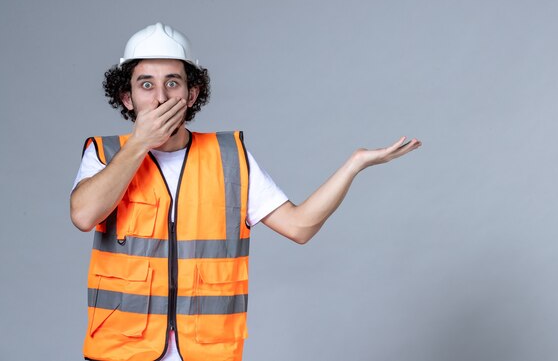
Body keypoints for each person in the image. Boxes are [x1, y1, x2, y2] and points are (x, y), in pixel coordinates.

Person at [70, 22, 421, 361]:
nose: (161, 98)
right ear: (126, 97)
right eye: (146, 85)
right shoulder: (105, 154)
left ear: (191, 94)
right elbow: (84, 215)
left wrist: (354, 164)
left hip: (209, 352)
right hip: (123, 352)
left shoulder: (229, 158)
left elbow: (299, 227)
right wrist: (140, 143)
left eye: (172, 83)